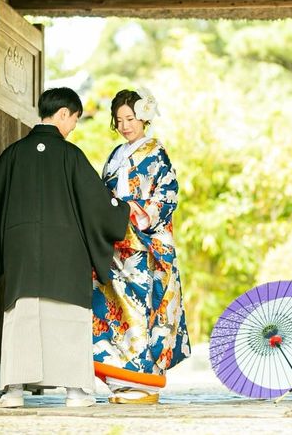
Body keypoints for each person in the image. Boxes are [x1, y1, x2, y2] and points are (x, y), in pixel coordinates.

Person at [0, 87, 131, 408]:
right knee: (67, 316)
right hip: (66, 252)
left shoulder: (12, 155)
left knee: (22, 314)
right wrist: (121, 209)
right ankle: (75, 391)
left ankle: (13, 391)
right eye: (74, 118)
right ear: (63, 113)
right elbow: (97, 205)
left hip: (21, 252)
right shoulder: (71, 156)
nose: (74, 126)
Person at [92, 88, 190, 404]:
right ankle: (120, 378)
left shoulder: (156, 153)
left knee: (141, 309)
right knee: (114, 308)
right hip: (116, 243)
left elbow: (167, 195)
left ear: (143, 118)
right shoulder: (115, 155)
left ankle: (145, 380)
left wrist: (137, 212)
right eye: (119, 120)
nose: (124, 126)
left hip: (144, 245)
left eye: (130, 119)